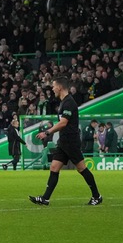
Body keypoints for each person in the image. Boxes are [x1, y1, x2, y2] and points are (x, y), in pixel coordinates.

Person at [30, 77, 103, 207]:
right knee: (54, 167)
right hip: (64, 141)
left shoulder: (69, 102)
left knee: (81, 168)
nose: (52, 89)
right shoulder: (64, 102)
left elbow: (63, 123)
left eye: (53, 86)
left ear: (59, 87)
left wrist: (47, 132)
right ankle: (45, 198)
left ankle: (97, 196)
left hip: (71, 141)